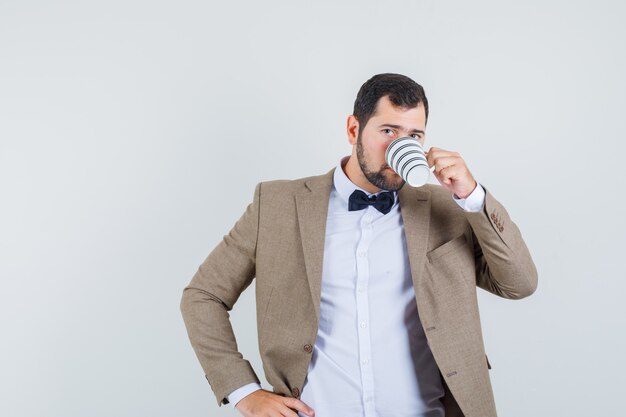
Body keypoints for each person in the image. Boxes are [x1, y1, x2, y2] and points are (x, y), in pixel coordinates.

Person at [180, 73, 538, 417]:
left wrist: (471, 195)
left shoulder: (449, 207)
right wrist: (244, 391)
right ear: (354, 129)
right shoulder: (277, 205)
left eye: (414, 135)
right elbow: (204, 295)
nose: (401, 145)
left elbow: (519, 283)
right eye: (388, 131)